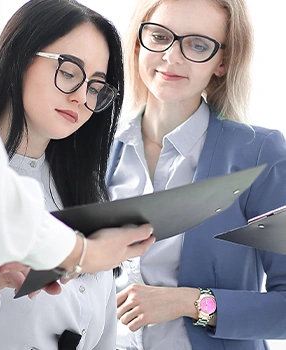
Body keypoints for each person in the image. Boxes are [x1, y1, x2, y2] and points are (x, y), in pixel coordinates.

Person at [0, 0, 155, 349]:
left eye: (96, 87)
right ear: (20, 54)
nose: (82, 97)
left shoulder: (85, 191)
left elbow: (103, 337)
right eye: (69, 72)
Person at [107, 0, 286, 349]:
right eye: (159, 36)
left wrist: (190, 302)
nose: (172, 57)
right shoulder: (102, 153)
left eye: (197, 45)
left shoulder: (258, 154)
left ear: (222, 63)